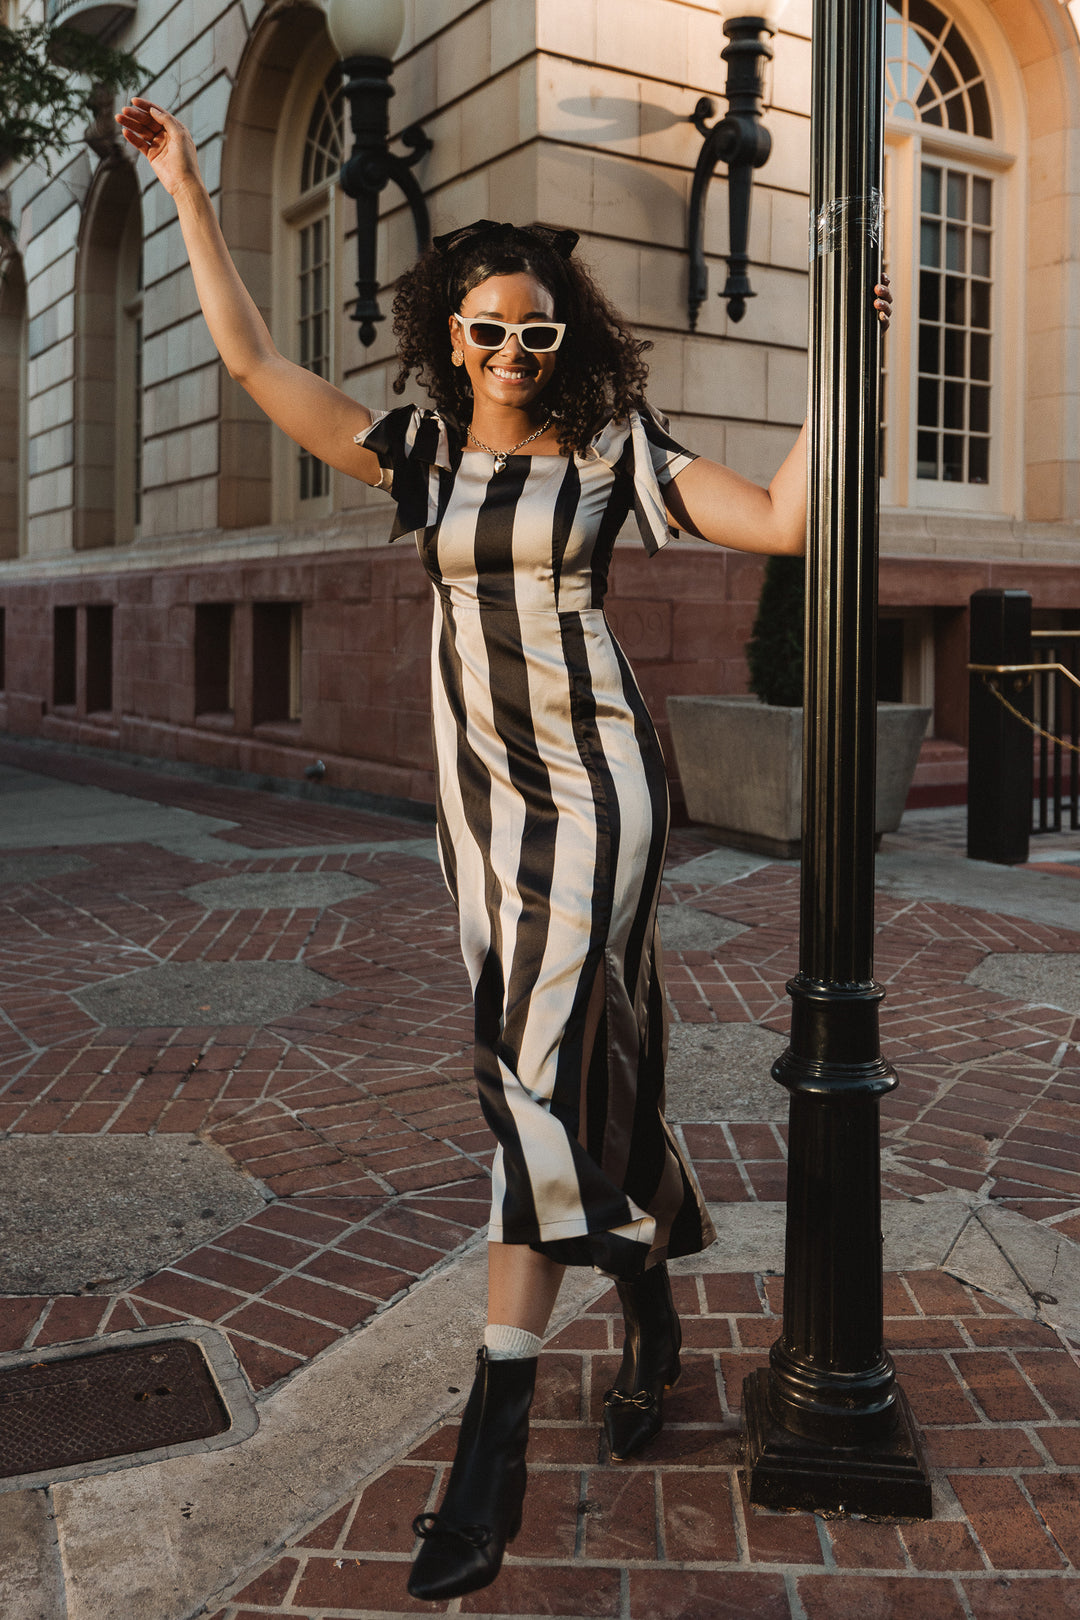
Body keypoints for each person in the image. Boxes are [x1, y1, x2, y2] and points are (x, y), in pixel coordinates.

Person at [116, 96, 892, 1602]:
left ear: (568, 338)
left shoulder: (613, 458)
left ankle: (497, 1426)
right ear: (448, 335)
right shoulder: (413, 457)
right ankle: (648, 1280)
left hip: (601, 782)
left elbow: (792, 520)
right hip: (478, 803)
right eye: (489, 332)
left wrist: (844, 353)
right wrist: (189, 190)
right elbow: (254, 365)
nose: (514, 355)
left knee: (530, 1063)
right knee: (567, 1058)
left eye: (537, 333)